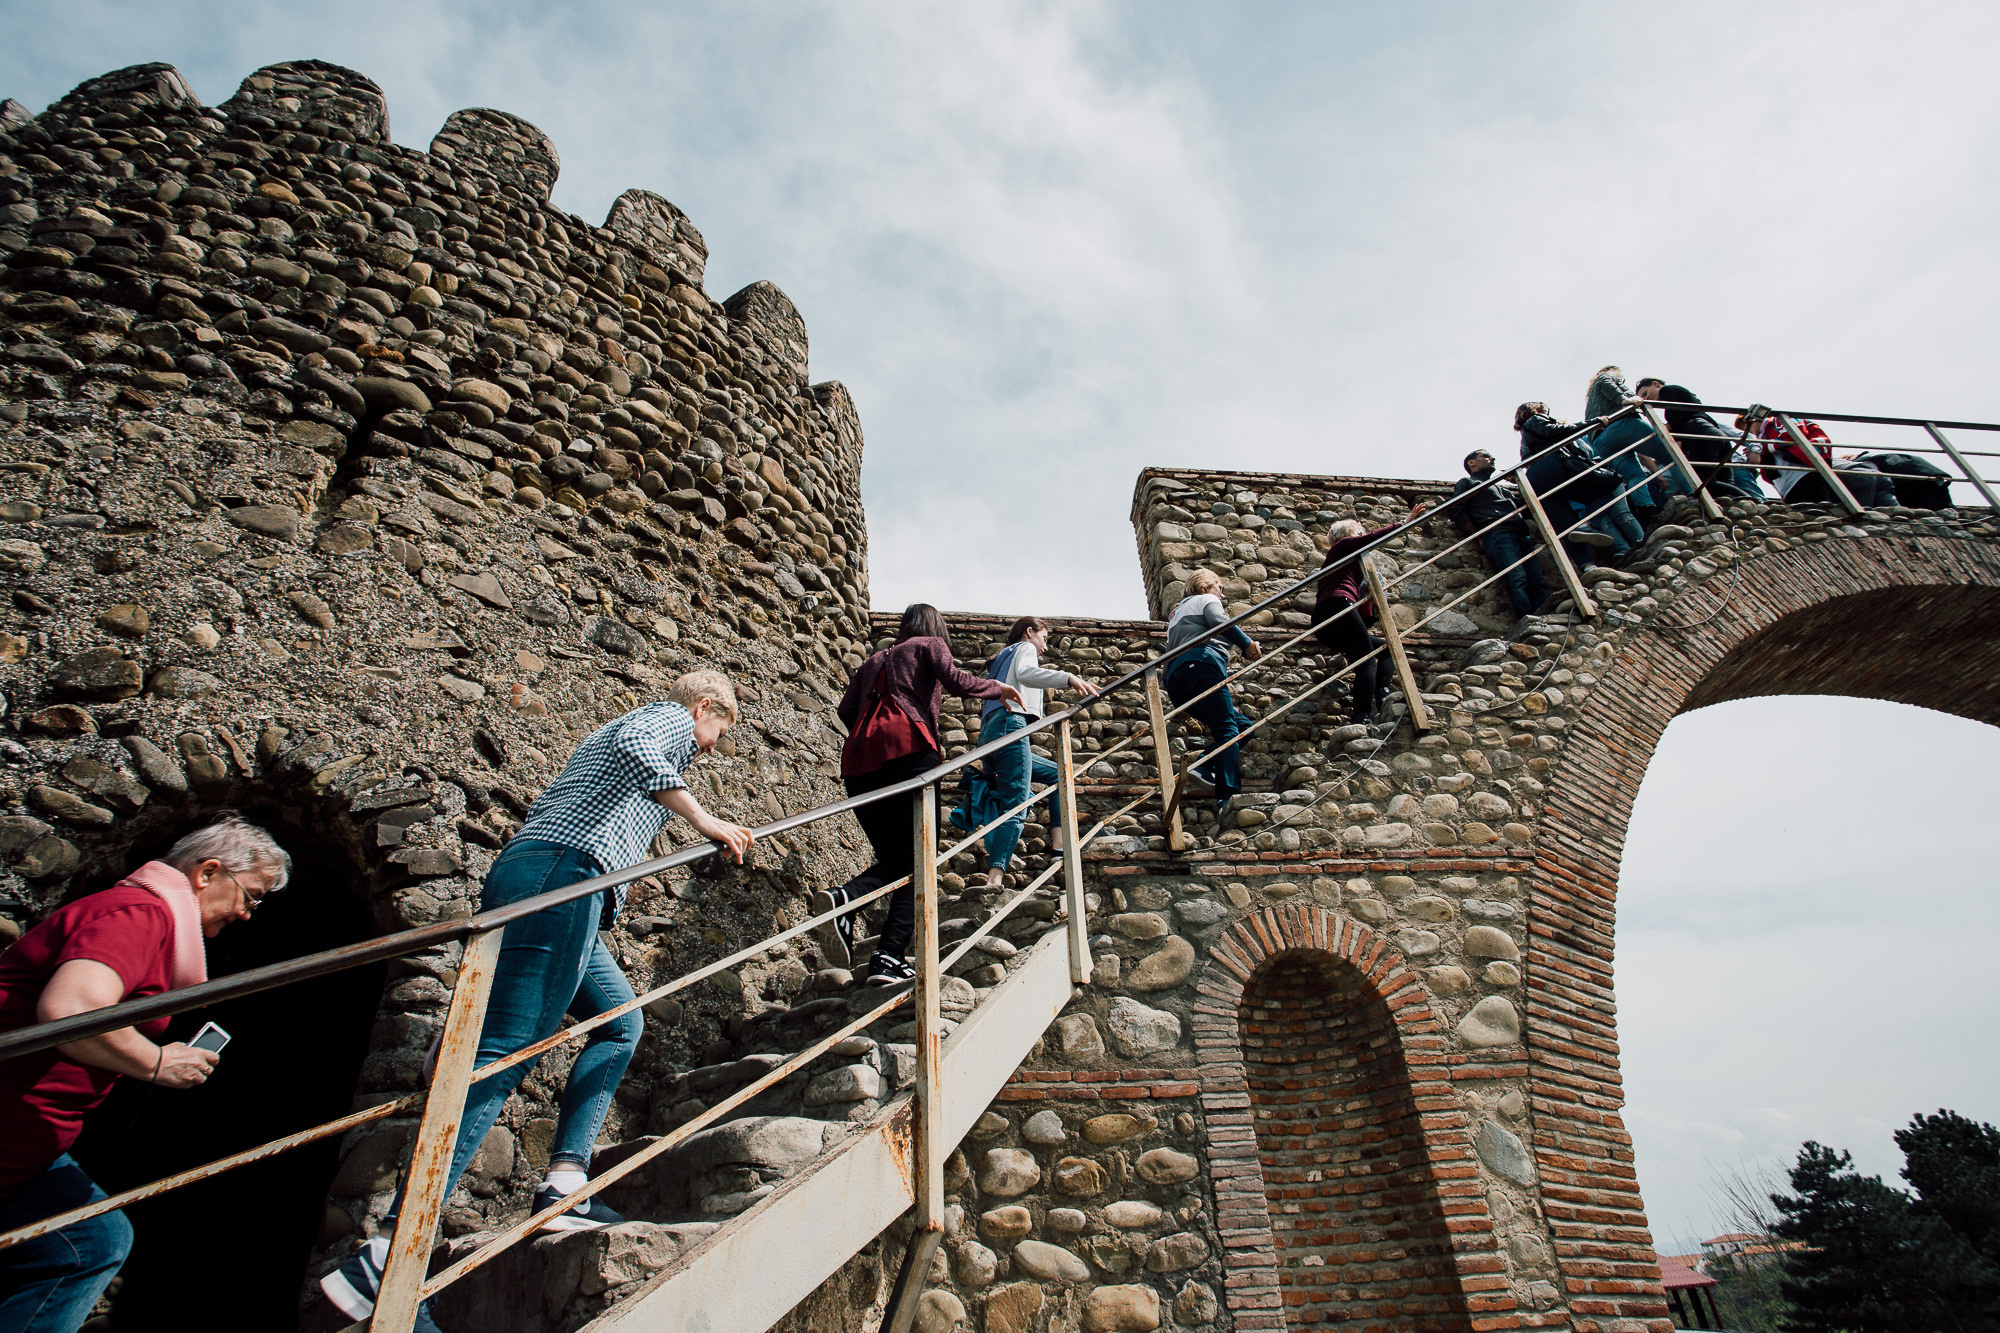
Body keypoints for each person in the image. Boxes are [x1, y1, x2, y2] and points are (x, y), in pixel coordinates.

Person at [321, 670, 754, 1332]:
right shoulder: (666, 721)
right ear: (704, 708)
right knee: (507, 1049)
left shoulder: (626, 735)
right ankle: (391, 1246)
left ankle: (564, 1183)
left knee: (619, 1020)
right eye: (718, 732)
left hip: (550, 875)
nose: (712, 748)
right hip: (564, 873)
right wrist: (705, 817)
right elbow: (644, 745)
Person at [0, 817, 290, 1333]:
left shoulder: (147, 921)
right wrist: (156, 1061)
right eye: (252, 896)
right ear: (207, 872)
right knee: (90, 1245)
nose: (248, 914)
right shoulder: (138, 914)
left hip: (25, 1142)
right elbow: (71, 1010)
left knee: (95, 1241)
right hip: (9, 1127)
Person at [813, 605, 1020, 986]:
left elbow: (846, 711)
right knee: (921, 859)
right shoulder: (930, 645)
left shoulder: (874, 659)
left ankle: (847, 899)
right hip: (909, 750)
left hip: (859, 763)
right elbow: (956, 681)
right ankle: (888, 955)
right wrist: (999, 687)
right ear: (934, 626)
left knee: (899, 859)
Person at [950, 617, 1099, 895]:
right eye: (1044, 638)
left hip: (990, 733)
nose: (1044, 647)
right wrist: (1068, 677)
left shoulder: (1000, 657)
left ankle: (1058, 847)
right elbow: (1028, 673)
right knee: (1015, 804)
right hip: (1010, 726)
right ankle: (994, 879)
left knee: (1058, 773)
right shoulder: (1024, 649)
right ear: (1029, 632)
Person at [1161, 570, 1262, 819]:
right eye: (1220, 587)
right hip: (1201, 665)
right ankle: (1228, 797)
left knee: (1243, 726)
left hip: (1176, 679)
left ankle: (1204, 764)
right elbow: (1220, 622)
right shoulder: (1206, 599)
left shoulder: (1177, 612)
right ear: (1205, 586)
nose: (1223, 594)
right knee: (1227, 729)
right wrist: (1246, 643)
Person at [1515, 402, 1626, 565]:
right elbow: (1555, 432)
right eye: (1544, 408)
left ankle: (1587, 566)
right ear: (1535, 410)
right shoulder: (1535, 420)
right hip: (1551, 467)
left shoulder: (1525, 438)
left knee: (1569, 526)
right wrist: (1593, 423)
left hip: (1535, 481)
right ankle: (1588, 523)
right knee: (1610, 488)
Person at [1446, 449, 1546, 619]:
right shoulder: (1468, 483)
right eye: (1485, 456)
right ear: (1472, 463)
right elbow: (1455, 509)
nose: (1492, 458)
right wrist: (1478, 536)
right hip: (1498, 532)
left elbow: (1529, 505)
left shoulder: (1503, 490)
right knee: (1517, 576)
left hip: (1521, 534)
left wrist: (1518, 482)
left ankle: (1544, 617)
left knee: (1537, 579)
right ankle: (1527, 620)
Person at [1584, 365, 1668, 533]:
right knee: (1671, 455)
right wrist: (1626, 399)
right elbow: (1608, 381)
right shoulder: (1607, 376)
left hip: (1601, 441)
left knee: (1635, 475)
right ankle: (1694, 494)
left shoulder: (1591, 403)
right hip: (1622, 425)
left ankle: (1648, 511)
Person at [1751, 413, 1899, 508]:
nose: (1749, 431)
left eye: (1747, 425)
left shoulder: (1777, 422)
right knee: (1890, 518)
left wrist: (1763, 448)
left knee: (1855, 519)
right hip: (1797, 482)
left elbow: (1793, 437)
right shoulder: (1766, 436)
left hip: (1806, 476)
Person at [1655, 385, 1759, 500]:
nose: (1646, 398)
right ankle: (1747, 505)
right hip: (1717, 437)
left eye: (1645, 393)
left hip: (1701, 434)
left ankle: (1751, 500)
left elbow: (1675, 414)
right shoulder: (1695, 406)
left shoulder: (1667, 390)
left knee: (1705, 484)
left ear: (1656, 384)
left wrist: (1675, 436)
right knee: (1725, 483)